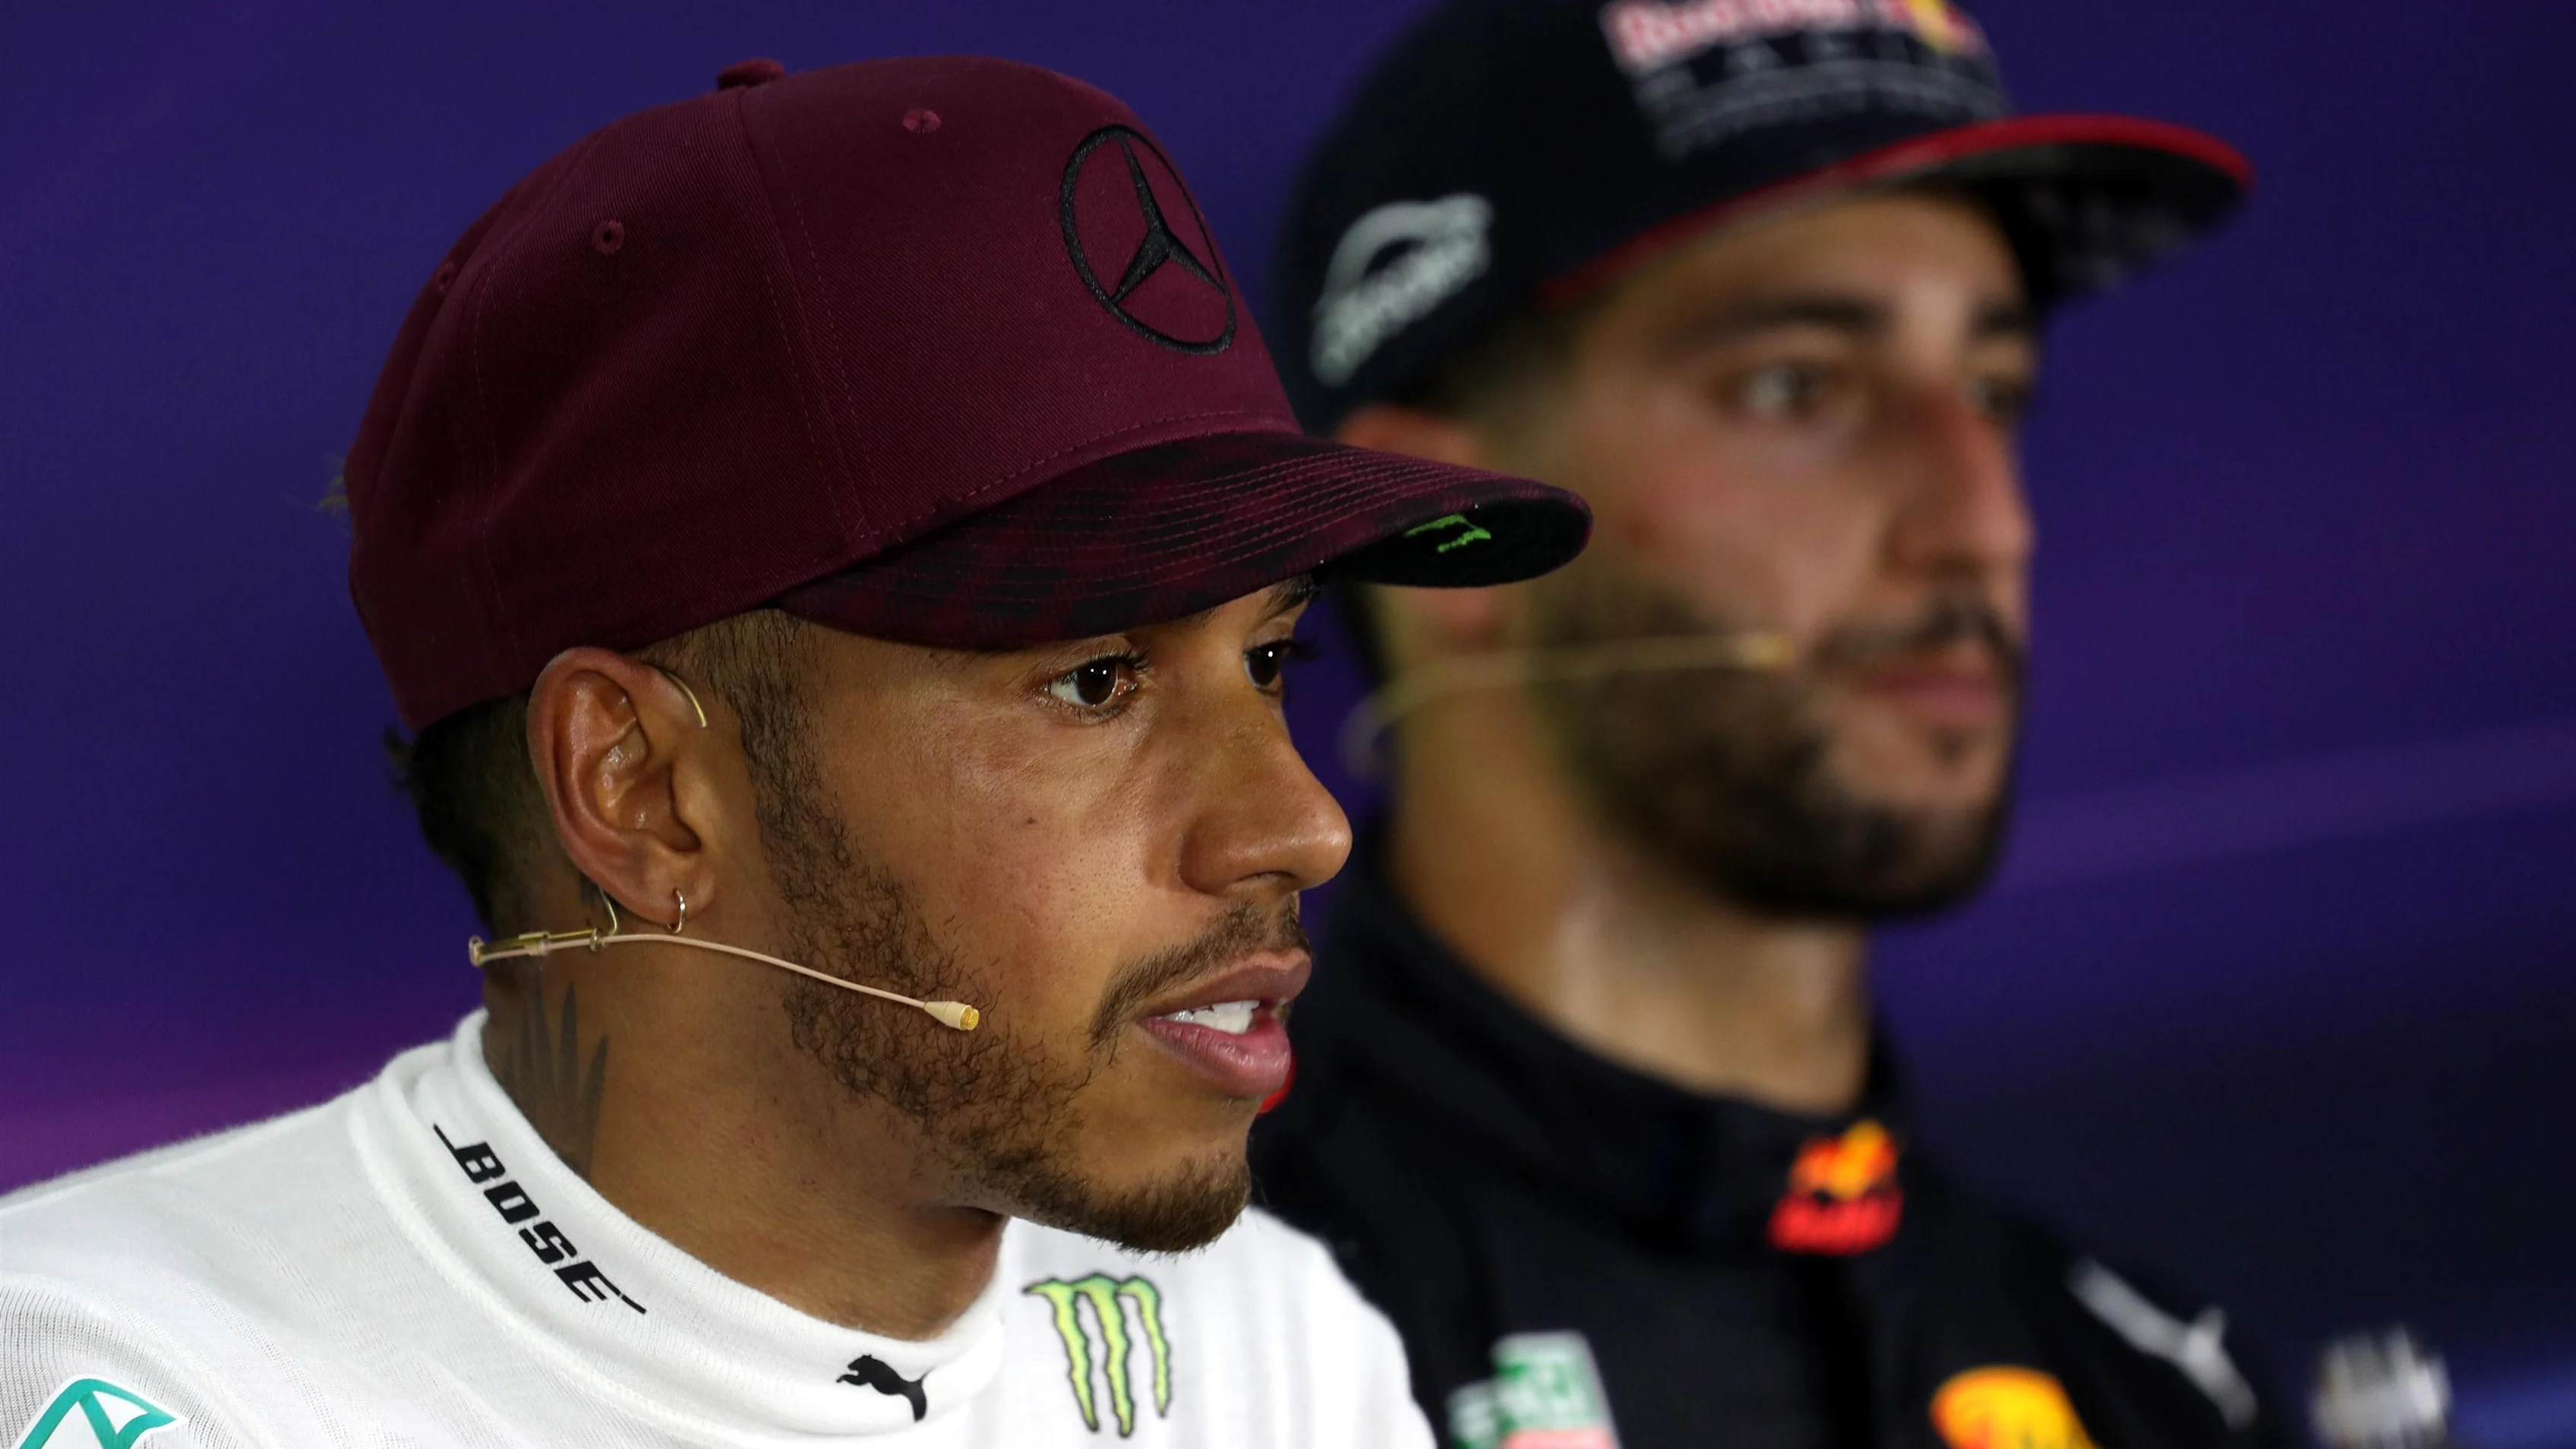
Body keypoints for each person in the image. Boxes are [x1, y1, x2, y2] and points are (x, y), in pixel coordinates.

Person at [0, 55, 1590, 1447]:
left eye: (1266, 658)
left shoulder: (1269, 1343)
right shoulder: (133, 1382)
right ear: (639, 788)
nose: (1299, 824)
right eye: (1096, 681)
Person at [1250, 3, 2281, 1446]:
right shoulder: (1145, 1353)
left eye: (1994, 394)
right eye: (1801, 387)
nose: (1983, 524)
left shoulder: (2157, 1394)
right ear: (1453, 532)